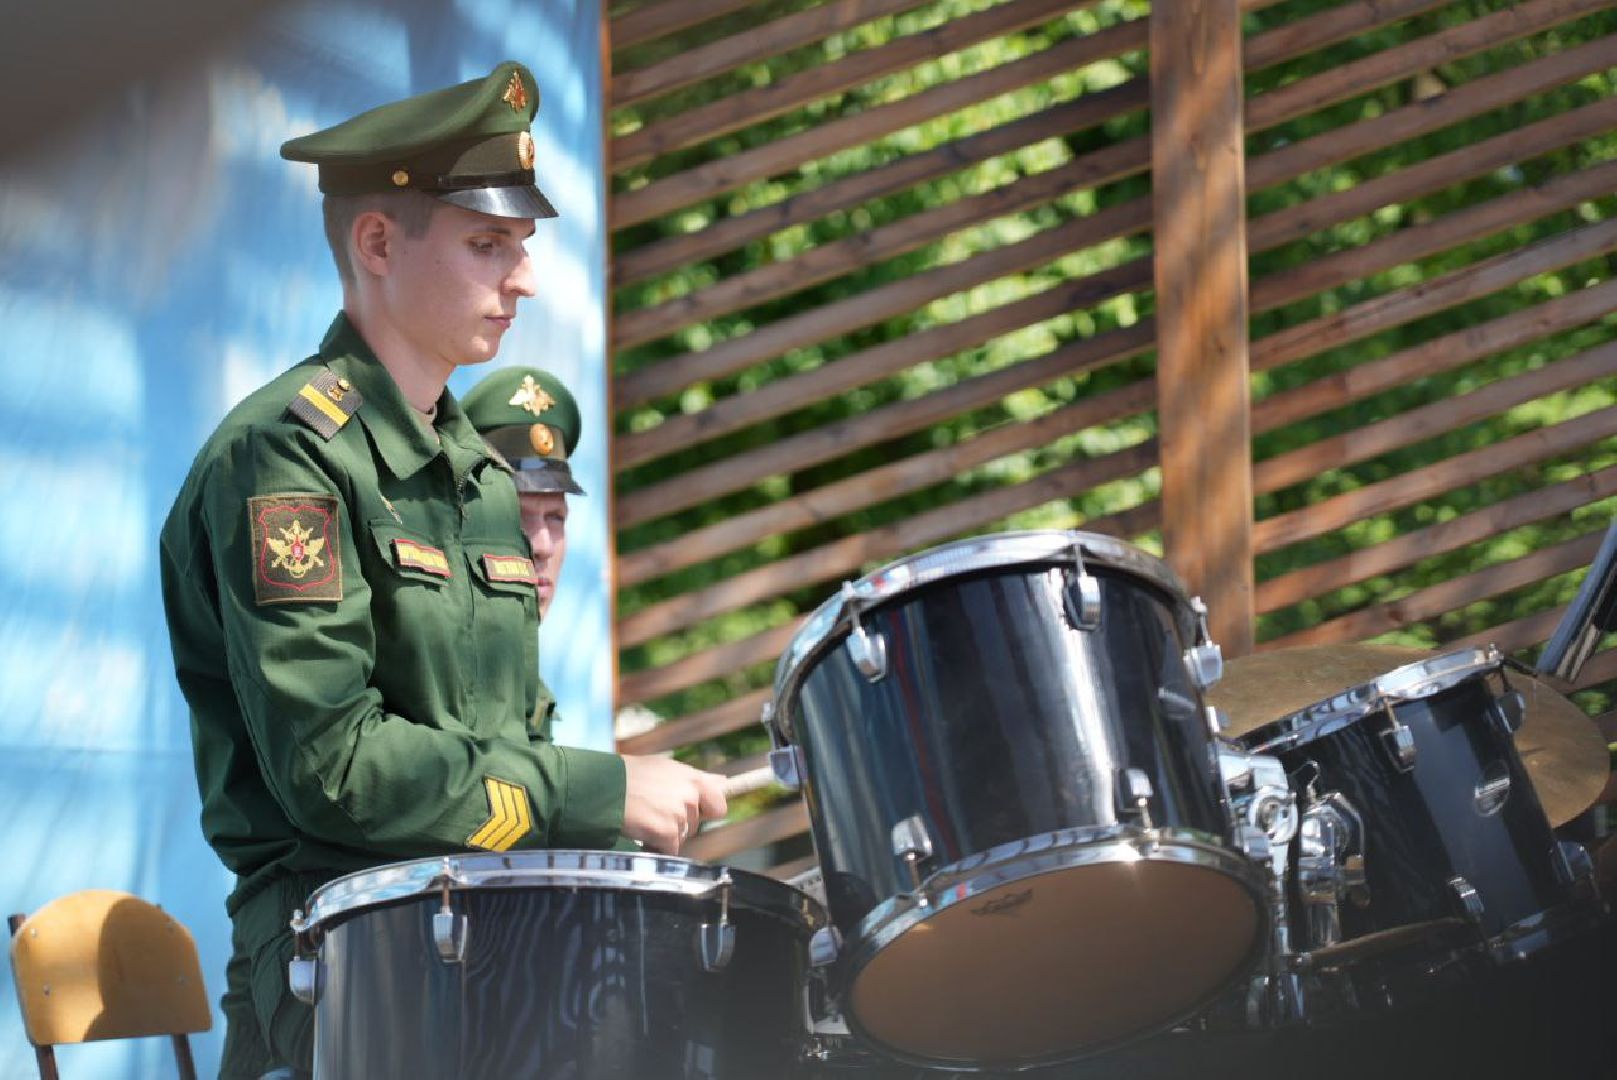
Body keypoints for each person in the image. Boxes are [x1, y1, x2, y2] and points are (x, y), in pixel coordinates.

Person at [159, 61, 725, 1080]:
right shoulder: (287, 459)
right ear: (378, 243)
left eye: (523, 245)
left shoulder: (481, 476)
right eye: (488, 244)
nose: (525, 277)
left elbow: (514, 739)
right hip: (341, 964)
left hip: (498, 947)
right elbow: (335, 770)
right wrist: (593, 794)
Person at [461, 364, 585, 732]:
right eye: (518, 516)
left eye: (556, 518)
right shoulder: (441, 679)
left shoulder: (521, 680)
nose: (543, 546)